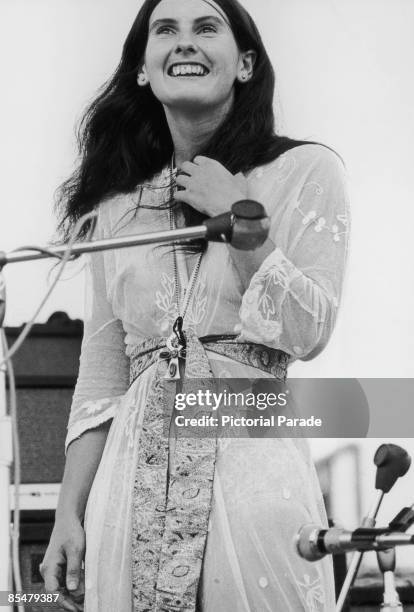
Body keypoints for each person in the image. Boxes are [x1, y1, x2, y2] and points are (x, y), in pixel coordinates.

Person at [40, 0, 350, 610]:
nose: (185, 42)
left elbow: (309, 330)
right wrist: (66, 514)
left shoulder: (304, 170)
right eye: (165, 30)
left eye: (206, 28)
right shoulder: (116, 210)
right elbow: (102, 374)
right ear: (141, 68)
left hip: (252, 474)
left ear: (244, 64)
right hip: (129, 489)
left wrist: (239, 219)